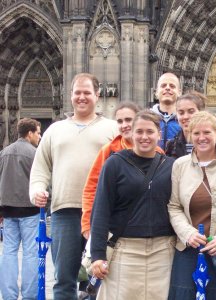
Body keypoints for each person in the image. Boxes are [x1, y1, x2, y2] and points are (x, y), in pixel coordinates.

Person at [29, 73, 118, 300]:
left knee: (103, 276)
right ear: (70, 96)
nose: (81, 97)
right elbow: (40, 169)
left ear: (97, 95)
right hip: (64, 212)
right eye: (77, 93)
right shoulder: (54, 130)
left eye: (87, 92)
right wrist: (37, 190)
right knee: (64, 279)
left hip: (102, 214)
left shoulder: (113, 129)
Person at [90, 110, 176, 300]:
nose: (144, 137)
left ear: (159, 134)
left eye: (150, 132)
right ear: (131, 133)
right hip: (125, 250)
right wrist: (97, 255)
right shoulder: (114, 164)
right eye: (139, 132)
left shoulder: (171, 166)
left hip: (162, 251)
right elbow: (100, 211)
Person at [168, 111, 216, 299]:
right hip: (187, 250)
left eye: (207, 132)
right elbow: (174, 206)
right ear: (189, 135)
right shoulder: (179, 165)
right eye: (196, 133)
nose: (201, 138)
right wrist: (188, 234)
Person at [81, 101, 141, 240]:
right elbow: (91, 187)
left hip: (143, 226)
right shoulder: (108, 150)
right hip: (112, 226)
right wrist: (87, 224)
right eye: (119, 121)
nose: (124, 125)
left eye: (128, 120)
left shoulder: (156, 152)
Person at [0, 118, 41, 300]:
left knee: (8, 251)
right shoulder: (34, 154)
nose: (40, 137)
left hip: (7, 210)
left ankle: (8, 296)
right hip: (30, 209)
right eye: (38, 133)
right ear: (30, 133)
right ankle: (30, 295)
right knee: (30, 253)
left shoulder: (3, 153)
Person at [165, 91, 216, 158]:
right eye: (181, 113)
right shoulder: (172, 146)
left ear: (201, 112)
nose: (185, 117)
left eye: (191, 111)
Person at [151, 72, 182, 150]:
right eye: (163, 85)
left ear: (179, 92)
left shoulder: (185, 119)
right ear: (156, 92)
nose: (167, 88)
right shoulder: (147, 118)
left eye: (172, 86)